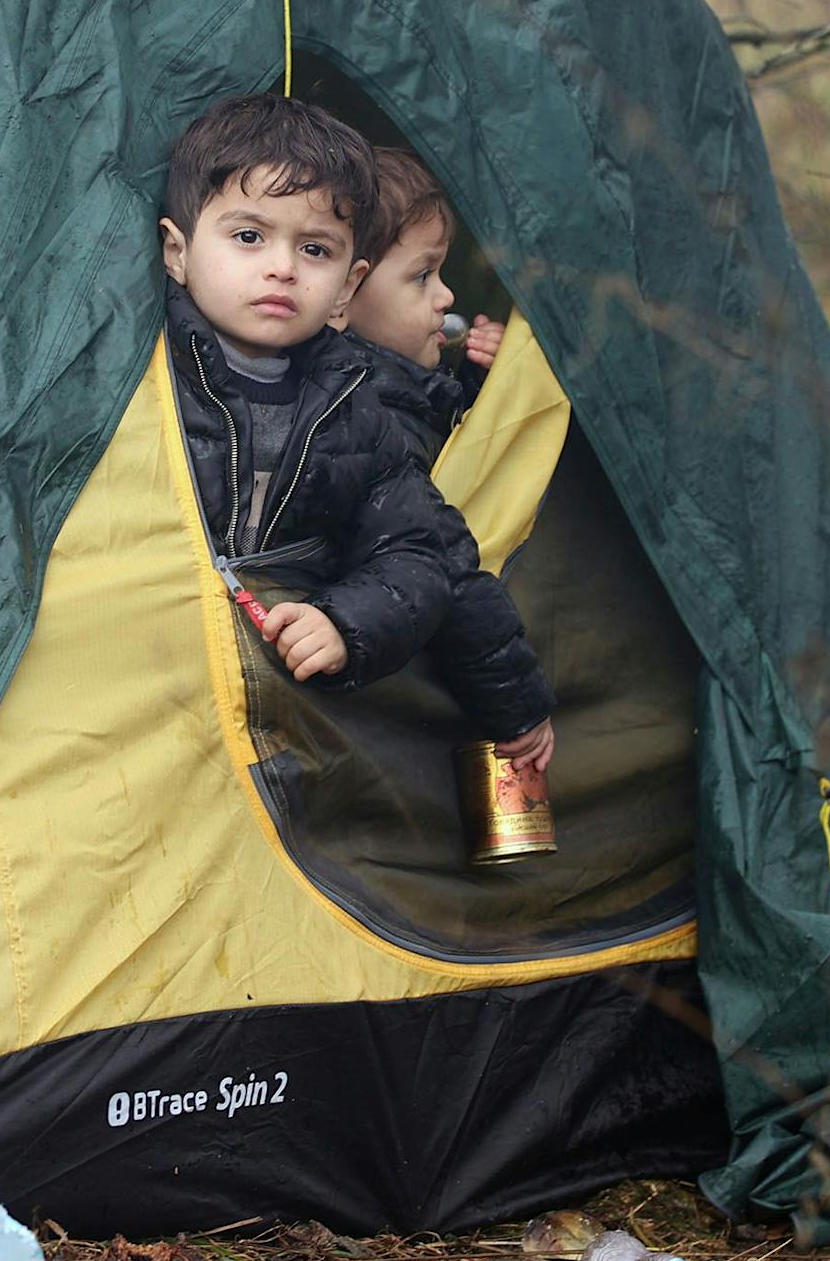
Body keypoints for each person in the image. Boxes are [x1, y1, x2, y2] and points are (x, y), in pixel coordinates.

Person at [159, 94, 554, 773]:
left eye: (314, 249)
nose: (282, 266)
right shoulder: (144, 376)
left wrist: (345, 621)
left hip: (263, 731)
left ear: (347, 288)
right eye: (250, 237)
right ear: (178, 251)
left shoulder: (356, 414)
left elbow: (425, 557)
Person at [340, 144, 554, 772]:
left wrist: (483, 390)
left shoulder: (386, 385)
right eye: (421, 276)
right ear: (344, 293)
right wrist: (519, 704)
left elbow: (439, 443)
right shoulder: (362, 414)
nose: (446, 295)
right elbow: (441, 558)